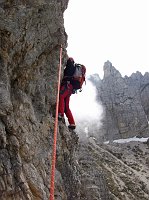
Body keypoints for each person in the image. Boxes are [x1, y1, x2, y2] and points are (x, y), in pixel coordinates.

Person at [58, 57, 76, 130]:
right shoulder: (74, 69)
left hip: (66, 86)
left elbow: (66, 73)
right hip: (70, 89)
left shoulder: (70, 66)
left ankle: (60, 114)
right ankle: (72, 123)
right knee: (66, 107)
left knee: (61, 96)